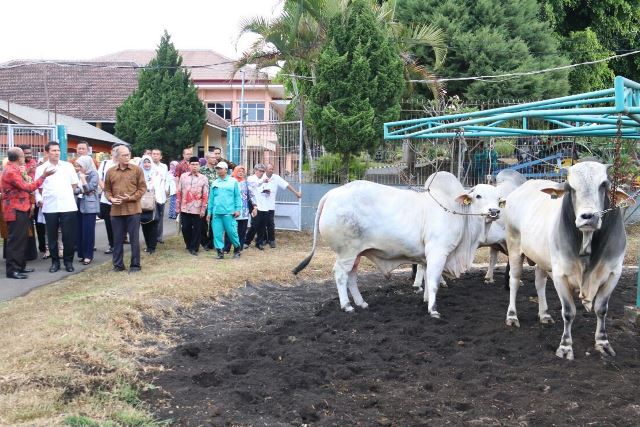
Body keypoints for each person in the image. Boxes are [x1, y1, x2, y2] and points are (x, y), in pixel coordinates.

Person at [2, 147, 55, 279]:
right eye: (23, 155)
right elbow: (28, 187)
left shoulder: (16, 169)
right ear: (19, 158)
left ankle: (20, 267)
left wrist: (25, 173)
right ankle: (12, 270)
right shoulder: (10, 172)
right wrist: (43, 176)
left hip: (21, 208)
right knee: (15, 241)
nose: (25, 158)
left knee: (21, 240)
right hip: (15, 210)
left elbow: (28, 182)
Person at [35, 141, 79, 273]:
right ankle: (55, 262)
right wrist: (44, 198)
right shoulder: (41, 169)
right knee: (52, 237)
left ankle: (68, 262)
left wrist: (64, 194)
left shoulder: (67, 166)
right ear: (47, 153)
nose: (56, 153)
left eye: (58, 150)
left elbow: (74, 185)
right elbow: (39, 187)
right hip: (50, 207)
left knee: (68, 236)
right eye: (53, 151)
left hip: (67, 206)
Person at [104, 145, 146, 273]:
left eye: (128, 154)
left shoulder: (137, 170)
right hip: (116, 211)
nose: (127, 157)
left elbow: (142, 188)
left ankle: (135, 265)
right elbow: (107, 190)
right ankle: (118, 265)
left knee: (134, 239)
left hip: (133, 209)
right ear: (117, 157)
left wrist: (131, 197)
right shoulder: (110, 171)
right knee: (117, 239)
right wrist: (110, 198)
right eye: (124, 155)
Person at [207, 162, 242, 259]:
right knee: (217, 233)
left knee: (232, 232)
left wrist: (238, 209)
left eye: (220, 168)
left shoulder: (233, 181)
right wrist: (209, 212)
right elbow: (211, 199)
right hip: (216, 213)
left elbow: (237, 197)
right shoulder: (215, 182)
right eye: (217, 168)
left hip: (229, 212)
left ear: (226, 170)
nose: (218, 170)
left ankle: (237, 250)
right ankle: (220, 252)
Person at [263, 163, 302, 248]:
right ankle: (263, 240)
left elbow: (286, 185)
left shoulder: (276, 178)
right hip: (261, 204)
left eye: (272, 169)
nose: (271, 170)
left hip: (270, 205)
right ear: (265, 169)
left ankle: (272, 240)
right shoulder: (261, 177)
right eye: (270, 169)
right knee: (262, 223)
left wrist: (296, 193)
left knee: (270, 223)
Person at [176, 156, 209, 256]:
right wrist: (178, 207)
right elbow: (179, 191)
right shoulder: (183, 176)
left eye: (196, 164)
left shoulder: (204, 178)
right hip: (185, 207)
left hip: (198, 208)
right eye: (192, 164)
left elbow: (205, 194)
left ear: (199, 166)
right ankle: (189, 244)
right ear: (189, 165)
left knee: (197, 229)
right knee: (185, 228)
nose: (194, 166)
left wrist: (203, 208)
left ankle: (194, 247)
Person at [19, 145, 46, 257]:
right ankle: (28, 251)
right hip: (26, 199)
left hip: (37, 197)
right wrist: (28, 170)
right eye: (26, 153)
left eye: (30, 153)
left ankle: (43, 247)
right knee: (28, 226)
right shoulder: (19, 166)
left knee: (40, 224)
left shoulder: (35, 162)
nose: (29, 155)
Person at [74, 155, 99, 265]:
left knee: (88, 231)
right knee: (79, 230)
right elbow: (75, 190)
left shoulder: (93, 174)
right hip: (78, 203)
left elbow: (89, 189)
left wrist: (83, 179)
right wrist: (81, 189)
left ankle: (88, 255)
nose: (78, 168)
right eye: (77, 166)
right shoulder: (77, 174)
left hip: (89, 205)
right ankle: (82, 254)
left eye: (80, 166)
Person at [224, 165, 256, 252]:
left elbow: (251, 195)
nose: (241, 173)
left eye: (242, 171)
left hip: (244, 211)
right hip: (232, 209)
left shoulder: (246, 183)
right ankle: (226, 248)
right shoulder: (230, 182)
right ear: (235, 171)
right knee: (230, 229)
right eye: (239, 171)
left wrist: (254, 207)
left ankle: (239, 248)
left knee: (242, 231)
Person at [97, 146, 118, 254]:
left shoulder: (123, 164)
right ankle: (112, 245)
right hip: (106, 199)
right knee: (108, 224)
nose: (116, 152)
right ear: (111, 152)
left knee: (119, 224)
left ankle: (119, 244)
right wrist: (106, 190)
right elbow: (99, 177)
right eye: (115, 150)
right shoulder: (105, 163)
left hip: (119, 200)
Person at [245, 163, 271, 250]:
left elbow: (267, 190)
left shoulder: (264, 179)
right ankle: (247, 241)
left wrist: (267, 191)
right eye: (260, 171)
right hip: (255, 205)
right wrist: (262, 181)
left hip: (264, 204)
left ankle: (259, 242)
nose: (262, 173)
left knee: (263, 225)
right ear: (255, 170)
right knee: (254, 225)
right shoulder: (251, 178)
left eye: (263, 171)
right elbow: (253, 186)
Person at [139, 155, 160, 254]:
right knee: (144, 224)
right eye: (144, 162)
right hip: (142, 203)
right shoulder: (139, 173)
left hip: (154, 202)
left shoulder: (156, 173)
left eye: (148, 162)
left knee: (154, 224)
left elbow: (158, 186)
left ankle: (152, 246)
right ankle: (148, 245)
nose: (146, 164)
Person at [199, 151, 218, 250]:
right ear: (207, 158)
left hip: (215, 201)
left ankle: (211, 242)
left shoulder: (217, 171)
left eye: (215, 157)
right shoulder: (201, 170)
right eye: (213, 157)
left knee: (213, 222)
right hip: (204, 200)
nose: (215, 159)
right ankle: (204, 242)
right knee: (203, 223)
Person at [151, 148, 169, 243]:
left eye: (157, 154)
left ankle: (159, 237)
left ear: (161, 156)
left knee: (160, 217)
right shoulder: (148, 165)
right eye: (153, 154)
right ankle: (152, 237)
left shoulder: (164, 166)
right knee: (152, 217)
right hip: (151, 196)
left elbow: (166, 179)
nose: (155, 155)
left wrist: (166, 192)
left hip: (161, 196)